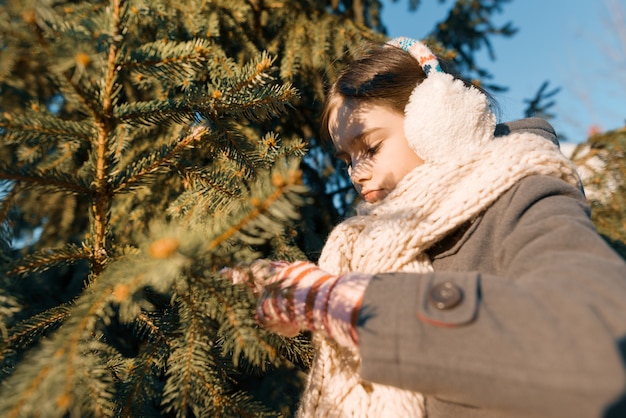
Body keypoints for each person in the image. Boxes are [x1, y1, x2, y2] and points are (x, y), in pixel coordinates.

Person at [233, 37, 626, 417]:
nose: (356, 174)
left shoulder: (526, 195)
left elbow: (597, 335)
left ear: (437, 122)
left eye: (370, 147)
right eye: (346, 159)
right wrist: (301, 312)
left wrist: (348, 303)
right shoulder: (368, 240)